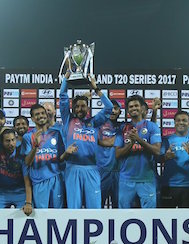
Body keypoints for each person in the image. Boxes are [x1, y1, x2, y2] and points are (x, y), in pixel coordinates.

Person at [58, 73, 114, 208]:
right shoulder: (68, 120)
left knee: (94, 209)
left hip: (92, 169)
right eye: (77, 106)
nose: (79, 109)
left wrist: (96, 89)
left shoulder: (94, 122)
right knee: (74, 209)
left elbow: (109, 108)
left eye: (83, 106)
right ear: (73, 108)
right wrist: (66, 79)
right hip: (72, 168)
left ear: (88, 108)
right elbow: (63, 96)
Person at [115, 95, 161, 209]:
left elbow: (157, 150)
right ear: (128, 110)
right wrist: (130, 144)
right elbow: (117, 154)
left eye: (136, 105)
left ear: (142, 108)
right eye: (130, 107)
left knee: (149, 216)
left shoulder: (152, 127)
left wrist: (138, 140)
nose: (133, 108)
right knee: (123, 215)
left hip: (147, 179)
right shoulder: (122, 128)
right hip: (126, 178)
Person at [159, 110, 189, 208]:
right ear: (174, 122)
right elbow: (158, 159)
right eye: (178, 120)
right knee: (166, 218)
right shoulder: (166, 140)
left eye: (184, 120)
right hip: (169, 185)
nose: (181, 122)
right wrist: (166, 157)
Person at [23, 104, 65, 209]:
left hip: (56, 179)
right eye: (37, 114)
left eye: (43, 113)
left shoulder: (56, 133)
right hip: (39, 181)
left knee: (57, 214)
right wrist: (35, 146)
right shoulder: (28, 137)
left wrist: (68, 153)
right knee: (42, 215)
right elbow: (27, 162)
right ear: (32, 118)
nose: (41, 116)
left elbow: (61, 158)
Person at [97, 100, 122, 208]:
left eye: (115, 108)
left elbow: (145, 128)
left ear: (120, 112)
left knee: (119, 207)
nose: (112, 111)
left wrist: (154, 111)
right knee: (98, 206)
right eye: (110, 108)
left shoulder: (124, 127)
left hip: (119, 172)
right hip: (101, 171)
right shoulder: (97, 125)